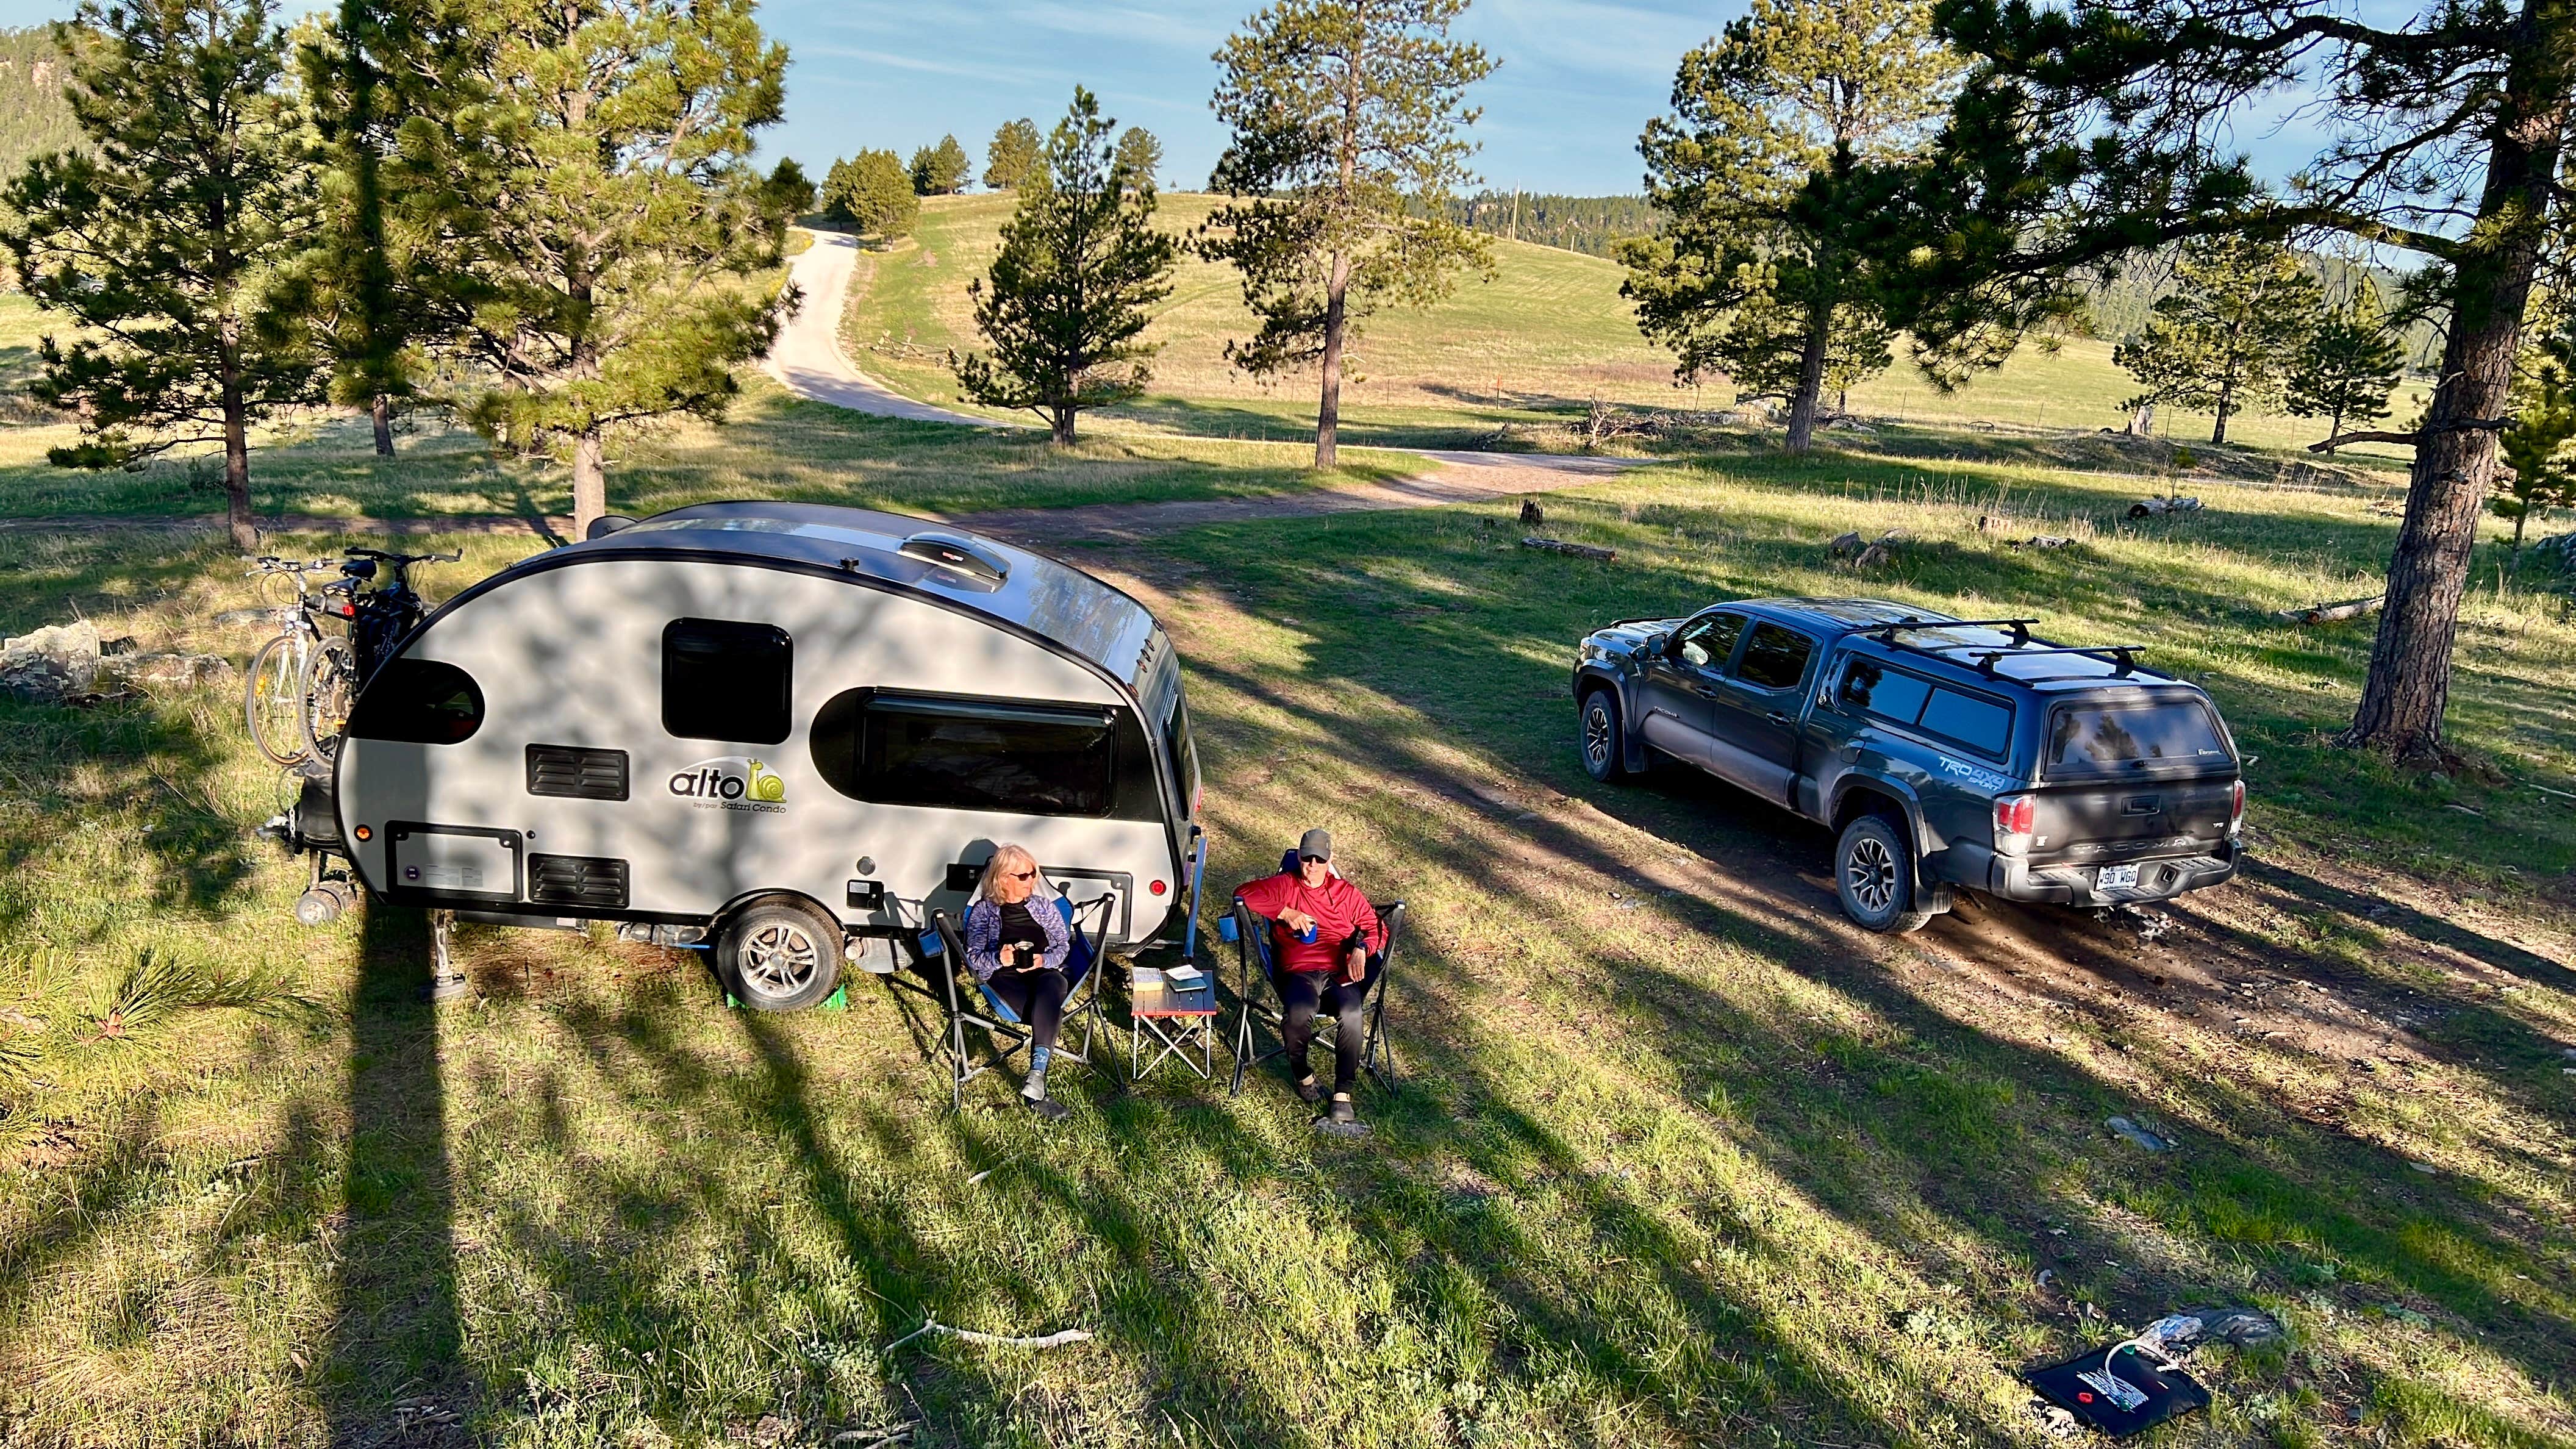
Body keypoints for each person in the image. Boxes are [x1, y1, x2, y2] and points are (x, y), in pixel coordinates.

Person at [1233, 828, 1386, 1126]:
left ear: (1330, 860)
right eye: (1307, 858)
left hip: (1337, 972)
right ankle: (1302, 1072)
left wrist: (1363, 948)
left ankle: (1343, 1092)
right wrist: (1285, 913)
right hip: (1298, 971)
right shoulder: (1286, 885)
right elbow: (1243, 893)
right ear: (1299, 857)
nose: (1313, 865)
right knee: (1299, 1012)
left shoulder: (1345, 894)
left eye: (1320, 859)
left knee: (1352, 1013)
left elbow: (1377, 927)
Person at [964, 843, 1074, 1120]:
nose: (1032, 880)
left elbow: (1063, 946)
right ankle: (1037, 1088)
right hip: (1005, 980)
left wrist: (1044, 960)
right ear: (1003, 879)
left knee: (1053, 984)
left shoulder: (1043, 906)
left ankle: (1037, 1075)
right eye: (1024, 875)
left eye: (1034, 873)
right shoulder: (983, 912)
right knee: (1046, 1007)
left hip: (1044, 973)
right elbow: (973, 959)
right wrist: (999, 959)